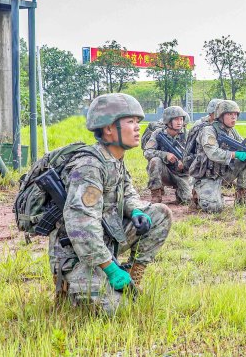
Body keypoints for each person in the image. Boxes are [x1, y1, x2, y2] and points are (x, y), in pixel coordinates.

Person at [49, 93, 172, 314]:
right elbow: (81, 227)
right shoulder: (89, 166)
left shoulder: (115, 159)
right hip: (77, 254)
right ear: (108, 129)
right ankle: (70, 289)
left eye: (138, 122)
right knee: (117, 310)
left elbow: (127, 190)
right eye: (130, 122)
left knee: (159, 214)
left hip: (106, 239)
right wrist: (111, 268)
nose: (137, 128)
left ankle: (133, 278)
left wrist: (134, 209)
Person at [188, 100, 246, 212]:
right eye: (229, 114)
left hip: (223, 173)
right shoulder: (209, 130)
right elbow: (213, 153)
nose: (234, 118)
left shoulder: (232, 132)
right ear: (221, 116)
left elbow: (243, 146)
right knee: (214, 208)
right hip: (207, 176)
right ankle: (197, 193)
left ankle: (241, 198)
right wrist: (234, 154)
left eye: (235, 114)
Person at [144, 106, 192, 204]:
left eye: (181, 119)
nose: (179, 122)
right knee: (155, 160)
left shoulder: (187, 135)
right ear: (168, 121)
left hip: (182, 174)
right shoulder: (158, 133)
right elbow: (147, 152)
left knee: (187, 200)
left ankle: (179, 193)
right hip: (165, 172)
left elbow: (195, 155)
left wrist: (185, 162)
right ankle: (156, 193)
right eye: (176, 119)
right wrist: (165, 155)